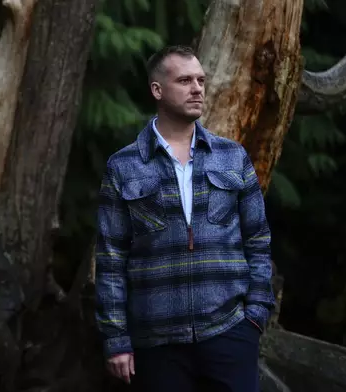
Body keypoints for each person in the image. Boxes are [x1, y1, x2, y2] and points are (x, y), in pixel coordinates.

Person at [94, 45, 276, 392]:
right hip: (157, 341)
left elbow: (258, 239)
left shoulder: (232, 157)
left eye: (201, 80)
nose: (197, 89)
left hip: (229, 330)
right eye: (184, 80)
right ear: (157, 91)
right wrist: (116, 337)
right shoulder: (124, 166)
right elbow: (110, 258)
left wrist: (255, 314)